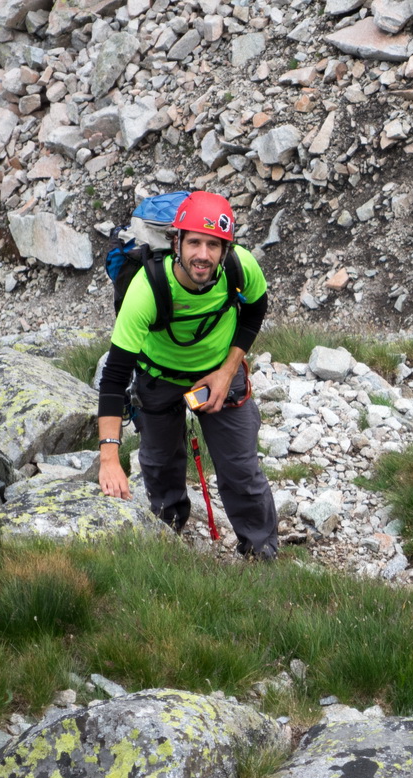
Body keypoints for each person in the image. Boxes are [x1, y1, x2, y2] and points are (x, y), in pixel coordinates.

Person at [96, 190, 278, 560]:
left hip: (220, 373)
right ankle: (169, 532)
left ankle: (261, 554)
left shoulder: (241, 267)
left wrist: (227, 371)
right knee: (160, 464)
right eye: (194, 242)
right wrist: (109, 459)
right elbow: (114, 377)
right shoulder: (147, 288)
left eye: (214, 245)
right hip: (157, 377)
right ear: (176, 243)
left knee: (241, 469)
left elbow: (255, 310)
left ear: (226, 250)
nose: (203, 255)